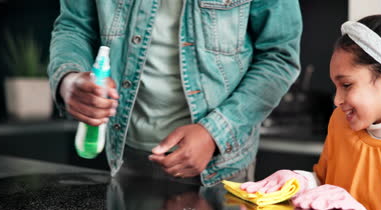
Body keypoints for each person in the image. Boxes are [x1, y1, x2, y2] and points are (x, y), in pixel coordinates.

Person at [48, 0, 302, 186]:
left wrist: (215, 133)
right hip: (125, 159)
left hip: (221, 169)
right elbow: (74, 28)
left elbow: (279, 56)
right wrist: (68, 79)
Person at [241, 14, 381, 210]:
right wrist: (300, 181)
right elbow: (325, 181)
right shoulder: (340, 123)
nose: (336, 100)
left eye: (346, 85)